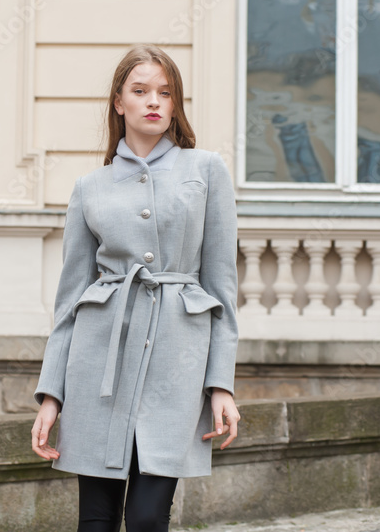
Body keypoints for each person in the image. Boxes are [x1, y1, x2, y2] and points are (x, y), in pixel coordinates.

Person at [31, 43, 241, 531]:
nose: (154, 101)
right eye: (140, 90)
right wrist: (51, 394)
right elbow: (69, 299)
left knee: (148, 518)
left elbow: (222, 284)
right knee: (97, 520)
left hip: (177, 358)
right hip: (98, 361)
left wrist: (221, 383)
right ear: (118, 102)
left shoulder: (206, 170)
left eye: (165, 93)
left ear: (176, 104)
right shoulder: (90, 187)